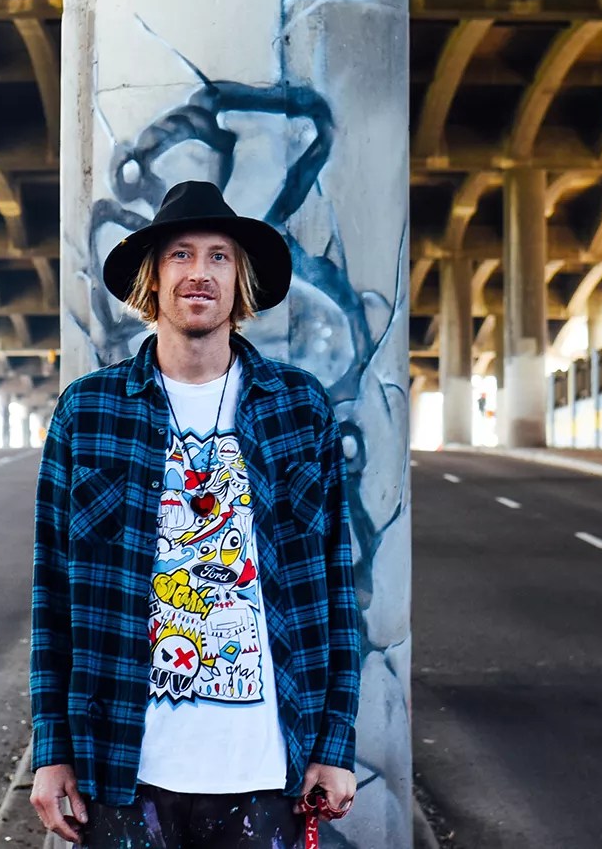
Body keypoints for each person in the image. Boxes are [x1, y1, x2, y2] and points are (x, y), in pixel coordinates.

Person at [30, 180, 360, 847]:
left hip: (265, 768)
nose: (199, 272)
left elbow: (335, 587)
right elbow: (52, 591)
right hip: (124, 766)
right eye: (180, 254)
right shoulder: (88, 412)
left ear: (241, 281)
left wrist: (335, 743)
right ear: (154, 279)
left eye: (219, 256)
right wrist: (51, 748)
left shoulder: (299, 408)